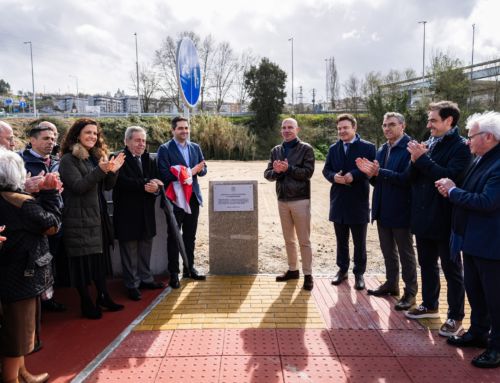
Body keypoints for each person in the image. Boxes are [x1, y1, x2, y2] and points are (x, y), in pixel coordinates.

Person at [435, 111, 500, 368]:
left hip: (492, 245)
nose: (466, 141)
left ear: (489, 137)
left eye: (471, 136)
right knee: (476, 292)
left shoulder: (497, 164)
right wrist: (453, 186)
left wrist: (452, 191)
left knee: (495, 298)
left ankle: (496, 348)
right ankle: (478, 332)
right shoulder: (480, 158)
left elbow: (487, 202)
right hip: (473, 241)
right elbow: (470, 189)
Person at [404, 101, 472, 338]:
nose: (428, 125)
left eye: (433, 120)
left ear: (449, 121)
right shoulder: (430, 143)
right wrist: (414, 160)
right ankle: (430, 305)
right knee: (427, 264)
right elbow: (412, 177)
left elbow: (450, 176)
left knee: (452, 269)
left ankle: (455, 316)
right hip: (423, 217)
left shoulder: (462, 147)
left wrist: (422, 159)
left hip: (445, 218)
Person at [0, 147, 62, 383]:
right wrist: (51, 194)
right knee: (17, 335)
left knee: (15, 331)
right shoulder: (22, 203)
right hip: (21, 276)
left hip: (9, 272)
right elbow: (53, 225)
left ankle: (22, 373)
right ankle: (12, 379)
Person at [58, 118, 125, 319]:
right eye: (88, 132)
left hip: (97, 217)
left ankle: (103, 295)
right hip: (78, 219)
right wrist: (101, 170)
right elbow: (78, 186)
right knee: (81, 264)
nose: (92, 137)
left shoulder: (94, 157)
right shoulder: (68, 159)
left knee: (98, 261)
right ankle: (86, 302)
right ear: (77, 134)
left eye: (95, 134)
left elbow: (107, 186)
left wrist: (113, 171)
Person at [356, 112, 417, 310]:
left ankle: (410, 293)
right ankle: (392, 284)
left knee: (406, 254)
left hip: (401, 210)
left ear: (403, 126)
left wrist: (378, 173)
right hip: (382, 209)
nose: (387, 128)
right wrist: (370, 174)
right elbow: (377, 180)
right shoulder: (383, 149)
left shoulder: (410, 148)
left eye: (391, 124)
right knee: (388, 252)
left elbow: (407, 179)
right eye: (384, 125)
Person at [323, 114, 376, 290]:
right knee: (341, 240)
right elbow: (326, 170)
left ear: (354, 128)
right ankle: (342, 270)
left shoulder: (368, 147)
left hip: (358, 201)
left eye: (345, 128)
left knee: (359, 242)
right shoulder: (333, 148)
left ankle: (359, 273)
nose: (342, 131)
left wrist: (354, 174)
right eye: (339, 128)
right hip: (338, 201)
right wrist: (334, 177)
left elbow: (370, 168)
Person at [112, 126, 164, 301]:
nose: (142, 144)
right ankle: (131, 284)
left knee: (145, 248)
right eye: (137, 140)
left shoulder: (149, 159)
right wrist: (146, 183)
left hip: (146, 213)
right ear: (127, 142)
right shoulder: (119, 158)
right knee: (129, 250)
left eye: (143, 140)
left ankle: (146, 279)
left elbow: (157, 181)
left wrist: (156, 188)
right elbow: (120, 182)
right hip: (127, 213)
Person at [264, 118, 315, 291]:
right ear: (281, 131)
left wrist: (288, 169)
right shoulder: (276, 150)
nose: (287, 130)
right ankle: (293, 270)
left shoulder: (306, 149)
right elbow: (267, 174)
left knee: (304, 240)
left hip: (300, 200)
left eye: (290, 127)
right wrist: (276, 172)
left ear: (297, 129)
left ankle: (308, 274)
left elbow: (307, 173)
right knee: (288, 239)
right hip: (282, 200)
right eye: (284, 128)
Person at [20, 122, 66, 312]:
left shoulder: (56, 162)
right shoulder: (20, 161)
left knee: (50, 260)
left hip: (54, 218)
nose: (51, 142)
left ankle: (48, 298)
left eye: (53, 138)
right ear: (32, 140)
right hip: (34, 221)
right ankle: (37, 304)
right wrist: (27, 187)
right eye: (46, 138)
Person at [157, 116, 207, 289]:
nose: (184, 131)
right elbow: (164, 174)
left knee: (190, 236)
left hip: (192, 198)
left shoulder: (195, 147)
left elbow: (203, 169)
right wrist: (189, 172)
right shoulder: (164, 149)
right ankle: (174, 273)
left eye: (186, 128)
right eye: (180, 128)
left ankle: (189, 268)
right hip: (174, 199)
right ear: (173, 130)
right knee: (174, 237)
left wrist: (200, 170)